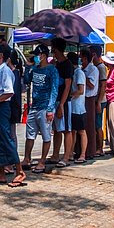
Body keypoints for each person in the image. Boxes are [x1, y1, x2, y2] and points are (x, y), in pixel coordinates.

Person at [0, 43, 26, 187]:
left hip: (2, 107)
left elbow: (9, 92)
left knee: (6, 139)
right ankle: (1, 172)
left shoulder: (5, 71)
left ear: (0, 55)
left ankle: (19, 171)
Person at [21, 45, 58, 173]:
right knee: (30, 135)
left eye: (37, 55)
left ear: (43, 55)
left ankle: (42, 161)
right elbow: (26, 80)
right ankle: (27, 158)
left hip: (45, 107)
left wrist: (50, 109)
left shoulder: (52, 70)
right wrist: (28, 67)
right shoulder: (35, 69)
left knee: (46, 135)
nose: (35, 57)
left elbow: (54, 90)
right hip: (34, 106)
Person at [50, 38, 74, 167]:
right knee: (57, 129)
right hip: (55, 99)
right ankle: (55, 154)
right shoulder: (57, 64)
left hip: (64, 101)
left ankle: (66, 156)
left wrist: (61, 105)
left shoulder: (67, 65)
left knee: (66, 129)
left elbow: (67, 85)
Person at [67, 52, 88, 163]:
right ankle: (70, 152)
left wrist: (69, 94)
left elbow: (80, 90)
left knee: (81, 131)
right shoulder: (74, 72)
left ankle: (83, 154)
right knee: (73, 131)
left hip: (78, 107)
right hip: (73, 106)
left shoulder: (79, 73)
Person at [80, 49, 99, 160]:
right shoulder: (82, 69)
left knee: (89, 125)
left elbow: (91, 85)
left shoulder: (93, 70)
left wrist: (83, 77)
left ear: (86, 59)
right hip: (81, 99)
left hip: (89, 98)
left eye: (81, 58)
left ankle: (90, 150)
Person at [90, 46, 107, 157]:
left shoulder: (100, 68)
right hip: (97, 100)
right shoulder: (96, 67)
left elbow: (103, 85)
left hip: (99, 100)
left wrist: (99, 102)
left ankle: (99, 148)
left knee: (97, 125)